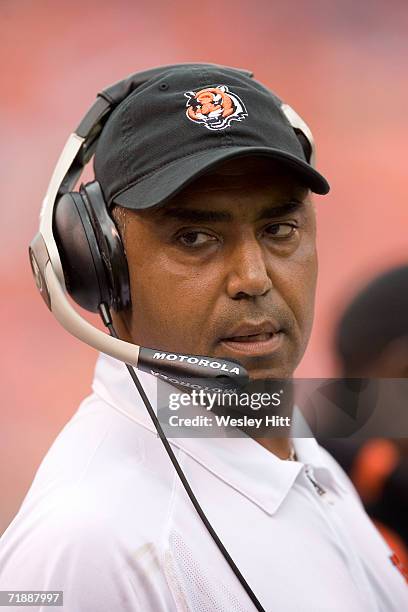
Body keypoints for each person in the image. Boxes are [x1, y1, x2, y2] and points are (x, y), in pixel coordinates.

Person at [0, 63, 406, 611]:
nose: (254, 279)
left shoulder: (289, 440)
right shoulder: (86, 543)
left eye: (279, 230)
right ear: (102, 267)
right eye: (194, 237)